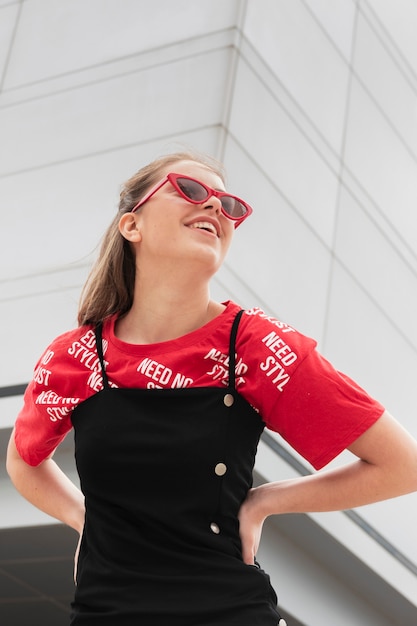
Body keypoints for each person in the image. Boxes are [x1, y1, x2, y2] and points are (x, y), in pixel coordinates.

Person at [6, 150, 417, 626]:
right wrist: (86, 521)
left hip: (228, 611)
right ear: (131, 226)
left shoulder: (257, 344)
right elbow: (23, 459)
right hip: (105, 611)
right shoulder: (73, 355)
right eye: (192, 190)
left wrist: (267, 501)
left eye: (229, 204)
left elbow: (402, 466)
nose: (215, 208)